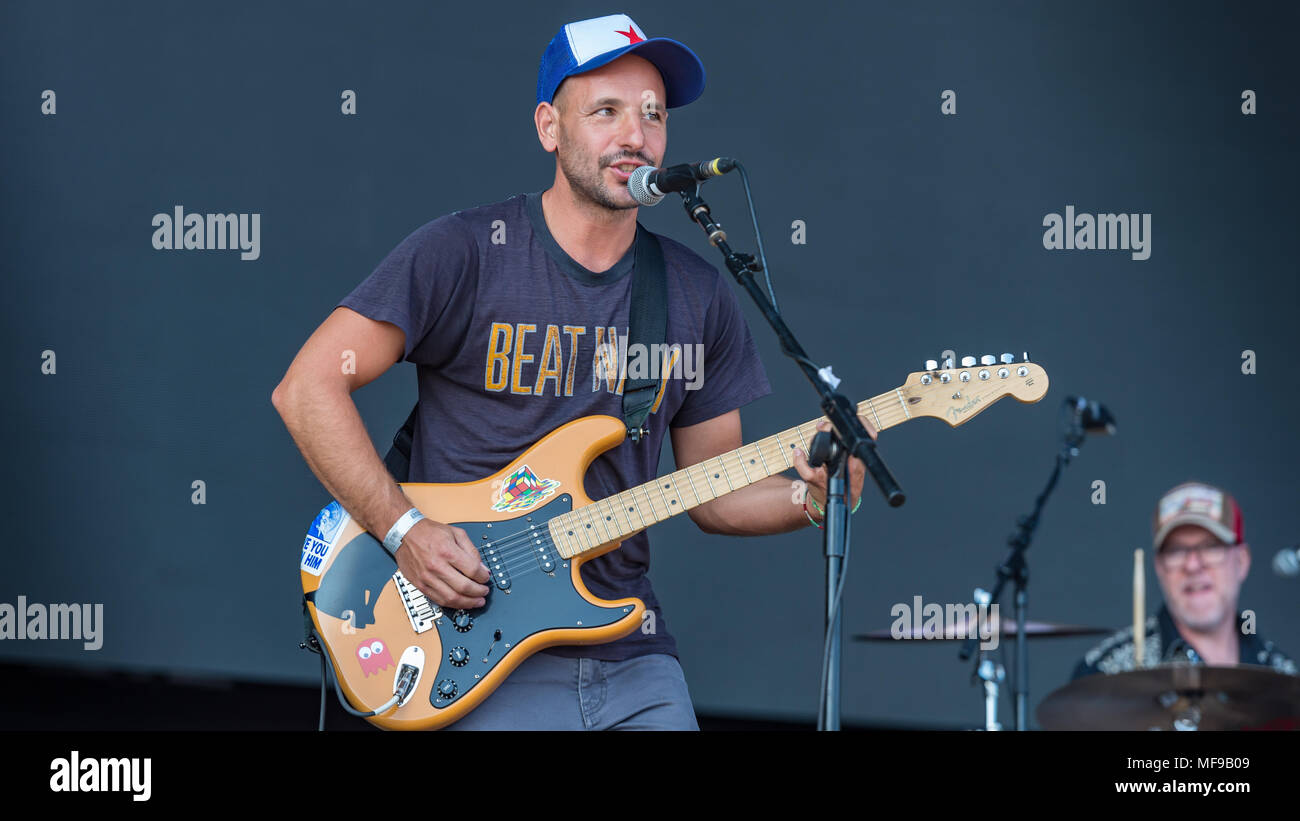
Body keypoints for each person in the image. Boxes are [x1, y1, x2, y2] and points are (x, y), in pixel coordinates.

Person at [272, 13, 871, 730]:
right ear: (548, 127)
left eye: (653, 114)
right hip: (477, 650)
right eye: (606, 111)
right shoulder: (465, 252)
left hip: (634, 655)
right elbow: (307, 387)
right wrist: (405, 531)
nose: (636, 134)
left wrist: (815, 498)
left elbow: (713, 492)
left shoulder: (696, 291)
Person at [1072, 481, 1295, 679]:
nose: (1192, 565)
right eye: (1176, 550)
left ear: (1242, 561)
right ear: (1159, 567)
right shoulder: (1107, 673)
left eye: (1210, 547)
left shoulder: (1280, 675)